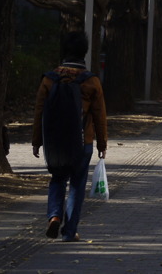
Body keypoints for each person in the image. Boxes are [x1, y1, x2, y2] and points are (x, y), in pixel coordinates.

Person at [32, 31, 108, 242]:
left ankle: (54, 215)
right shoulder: (91, 81)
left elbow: (40, 112)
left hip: (55, 142)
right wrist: (102, 144)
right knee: (77, 184)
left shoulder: (49, 79)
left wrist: (37, 141)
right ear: (84, 52)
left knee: (57, 179)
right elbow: (100, 116)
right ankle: (69, 231)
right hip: (83, 142)